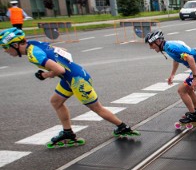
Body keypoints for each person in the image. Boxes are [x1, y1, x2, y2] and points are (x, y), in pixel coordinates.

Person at [1, 27, 138, 145]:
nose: (5, 51)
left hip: (77, 80)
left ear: (16, 44)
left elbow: (60, 70)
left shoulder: (33, 55)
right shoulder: (33, 43)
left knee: (97, 108)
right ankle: (68, 133)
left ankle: (123, 127)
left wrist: (44, 75)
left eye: (6, 47)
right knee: (56, 101)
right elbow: (60, 49)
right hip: (71, 77)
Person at [145, 30, 196, 126]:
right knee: (188, 89)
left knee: (181, 90)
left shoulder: (171, 48)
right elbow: (177, 59)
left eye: (151, 44)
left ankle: (193, 116)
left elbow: (190, 59)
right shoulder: (167, 46)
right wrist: (172, 74)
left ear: (158, 41)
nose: (150, 47)